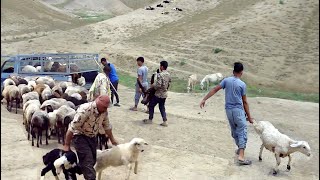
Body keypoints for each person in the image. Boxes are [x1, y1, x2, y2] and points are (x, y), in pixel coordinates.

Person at [199, 62, 254, 165]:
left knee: (234, 130)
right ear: (241, 72)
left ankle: (239, 149)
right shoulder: (242, 84)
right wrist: (249, 117)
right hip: (238, 111)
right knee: (242, 131)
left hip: (228, 111)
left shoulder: (226, 81)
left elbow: (215, 89)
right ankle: (241, 156)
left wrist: (204, 99)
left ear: (233, 71)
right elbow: (245, 102)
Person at [63, 95, 118, 180]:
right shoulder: (85, 110)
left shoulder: (104, 112)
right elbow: (72, 127)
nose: (106, 109)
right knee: (87, 162)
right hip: (80, 136)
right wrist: (67, 144)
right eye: (104, 107)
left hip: (92, 137)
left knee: (92, 161)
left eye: (107, 107)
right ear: (98, 102)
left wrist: (112, 140)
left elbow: (107, 127)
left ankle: (73, 169)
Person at [143, 61, 171, 127]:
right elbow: (169, 84)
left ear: (161, 66)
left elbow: (158, 85)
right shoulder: (168, 74)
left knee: (151, 105)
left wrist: (153, 86)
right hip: (164, 94)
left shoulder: (160, 75)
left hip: (158, 94)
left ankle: (150, 119)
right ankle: (165, 121)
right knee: (162, 107)